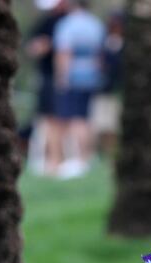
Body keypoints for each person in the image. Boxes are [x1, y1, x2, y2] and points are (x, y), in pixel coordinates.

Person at [53, 0, 105, 178]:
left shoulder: (67, 24)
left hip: (73, 77)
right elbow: (100, 55)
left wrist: (62, 77)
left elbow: (64, 53)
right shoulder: (95, 24)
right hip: (91, 77)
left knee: (75, 119)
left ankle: (79, 159)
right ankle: (87, 157)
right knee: (86, 118)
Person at [26, 0, 69, 175]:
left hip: (59, 79)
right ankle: (53, 160)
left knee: (60, 119)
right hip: (48, 77)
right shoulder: (46, 21)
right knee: (49, 119)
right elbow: (32, 47)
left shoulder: (68, 21)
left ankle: (58, 160)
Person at [90, 10, 124, 158]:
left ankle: (112, 154)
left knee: (113, 126)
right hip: (103, 90)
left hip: (117, 91)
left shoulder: (124, 45)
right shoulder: (104, 43)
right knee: (100, 125)